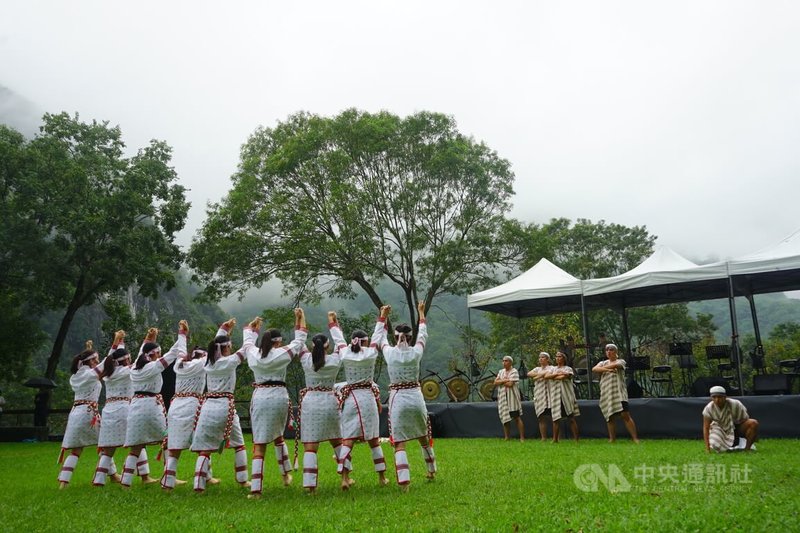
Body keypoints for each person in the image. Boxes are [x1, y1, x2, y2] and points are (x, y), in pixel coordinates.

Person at [245, 309, 307, 499]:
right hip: (279, 397)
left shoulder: (254, 354)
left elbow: (247, 342)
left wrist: (252, 328)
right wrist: (299, 320)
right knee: (278, 436)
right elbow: (299, 342)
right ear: (278, 341)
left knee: (260, 444)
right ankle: (286, 474)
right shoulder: (281, 354)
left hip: (260, 397)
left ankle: (256, 488)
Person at [121, 323, 189, 487]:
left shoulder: (135, 368)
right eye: (158, 353)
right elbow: (173, 354)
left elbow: (141, 351)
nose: (160, 355)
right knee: (166, 440)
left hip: (135, 407)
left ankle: (125, 481)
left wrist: (149, 338)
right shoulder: (153, 367)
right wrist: (182, 334)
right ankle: (169, 476)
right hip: (152, 407)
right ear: (153, 355)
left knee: (136, 447)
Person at [379, 302, 437, 491]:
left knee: (400, 443)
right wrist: (421, 313)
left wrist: (383, 316)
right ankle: (431, 470)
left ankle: (404, 483)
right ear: (409, 338)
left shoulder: (389, 353)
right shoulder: (416, 352)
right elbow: (423, 334)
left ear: (395, 337)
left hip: (398, 399)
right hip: (416, 397)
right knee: (423, 435)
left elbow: (379, 338)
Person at [330, 309, 388, 490]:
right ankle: (382, 477)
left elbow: (338, 338)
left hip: (351, 399)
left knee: (348, 440)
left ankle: (344, 478)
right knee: (374, 440)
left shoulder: (345, 353)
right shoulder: (370, 353)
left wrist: (333, 322)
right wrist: (382, 317)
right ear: (365, 341)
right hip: (367, 398)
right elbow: (378, 336)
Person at [190, 319, 249, 492]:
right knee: (239, 445)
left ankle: (198, 485)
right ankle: (243, 480)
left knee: (204, 450)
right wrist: (250, 330)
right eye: (229, 345)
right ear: (225, 348)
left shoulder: (208, 363)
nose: (231, 348)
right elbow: (246, 349)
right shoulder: (229, 362)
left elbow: (217, 343)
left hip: (208, 406)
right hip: (226, 407)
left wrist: (224, 328)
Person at [93, 330, 149, 486]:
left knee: (109, 448)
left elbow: (109, 358)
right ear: (126, 360)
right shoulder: (126, 371)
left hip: (109, 409)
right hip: (125, 408)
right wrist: (147, 340)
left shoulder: (107, 373)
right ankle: (141, 476)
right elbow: (140, 358)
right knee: (137, 442)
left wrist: (117, 341)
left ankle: (99, 480)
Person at [298, 321, 344, 494]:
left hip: (311, 402)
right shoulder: (334, 360)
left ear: (312, 346)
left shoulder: (305, 359)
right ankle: (345, 478)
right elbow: (341, 344)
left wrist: (300, 320)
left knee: (310, 446)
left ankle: (310, 486)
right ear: (327, 346)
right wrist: (334, 323)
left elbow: (298, 342)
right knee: (337, 441)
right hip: (330, 401)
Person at [161, 343, 209, 491]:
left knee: (174, 447)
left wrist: (182, 334)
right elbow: (216, 353)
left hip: (175, 406)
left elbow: (181, 352)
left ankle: (167, 483)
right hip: (193, 405)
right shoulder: (201, 363)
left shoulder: (179, 364)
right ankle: (201, 482)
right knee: (203, 444)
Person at [57, 340, 102, 488]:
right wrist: (115, 345)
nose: (97, 361)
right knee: (105, 446)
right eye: (95, 360)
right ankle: (106, 476)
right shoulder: (90, 375)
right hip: (89, 414)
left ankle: (63, 482)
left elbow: (88, 368)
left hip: (76, 412)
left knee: (77, 449)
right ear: (87, 363)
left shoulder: (76, 376)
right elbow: (104, 366)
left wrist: (88, 350)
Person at [593, 343, 639, 443]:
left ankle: (635, 439)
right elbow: (595, 369)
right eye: (607, 350)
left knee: (625, 415)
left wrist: (605, 369)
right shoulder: (603, 363)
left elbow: (617, 365)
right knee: (610, 417)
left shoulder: (621, 361)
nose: (609, 351)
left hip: (619, 393)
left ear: (616, 351)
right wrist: (607, 370)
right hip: (607, 393)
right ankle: (612, 439)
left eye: (611, 349)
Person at [703, 386, 759, 452]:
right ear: (711, 398)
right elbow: (706, 428)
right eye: (714, 397)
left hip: (737, 427)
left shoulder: (736, 404)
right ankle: (727, 446)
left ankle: (747, 449)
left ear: (725, 397)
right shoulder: (708, 408)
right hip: (720, 429)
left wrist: (733, 426)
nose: (717, 400)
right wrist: (707, 448)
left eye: (720, 397)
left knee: (753, 423)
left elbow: (745, 419)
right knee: (714, 443)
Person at [546, 351, 580, 442]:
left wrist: (554, 376)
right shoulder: (552, 369)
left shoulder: (568, 368)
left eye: (559, 356)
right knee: (556, 419)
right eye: (556, 356)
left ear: (564, 358)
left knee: (571, 418)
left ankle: (576, 439)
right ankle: (555, 439)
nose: (557, 358)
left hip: (566, 396)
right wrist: (557, 374)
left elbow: (564, 377)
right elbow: (546, 376)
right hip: (556, 396)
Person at [495, 355, 524, 441]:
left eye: (506, 361)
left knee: (516, 417)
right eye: (503, 361)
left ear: (510, 362)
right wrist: (505, 380)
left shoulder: (514, 371)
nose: (504, 362)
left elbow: (510, 384)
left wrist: (501, 381)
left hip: (512, 398)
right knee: (505, 418)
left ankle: (522, 438)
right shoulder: (501, 371)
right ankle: (507, 437)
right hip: (503, 397)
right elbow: (495, 382)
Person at [527, 352, 555, 441]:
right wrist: (542, 375)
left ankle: (557, 437)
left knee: (554, 417)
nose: (541, 359)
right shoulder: (537, 369)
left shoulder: (552, 368)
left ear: (547, 359)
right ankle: (543, 438)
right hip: (539, 395)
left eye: (543, 357)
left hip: (549, 395)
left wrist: (539, 376)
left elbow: (549, 374)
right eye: (540, 357)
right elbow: (529, 374)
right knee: (541, 417)